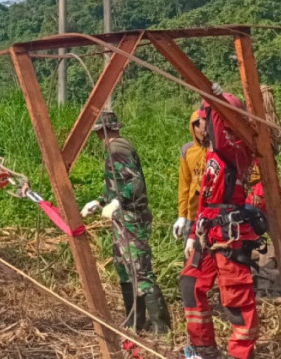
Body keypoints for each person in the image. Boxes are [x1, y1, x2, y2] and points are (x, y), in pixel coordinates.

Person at [181, 86, 264, 359]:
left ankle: (240, 354)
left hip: (229, 233)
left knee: (236, 299)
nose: (201, 126)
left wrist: (211, 97)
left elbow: (219, 124)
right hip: (209, 228)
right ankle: (204, 349)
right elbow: (205, 199)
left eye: (204, 118)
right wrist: (193, 231)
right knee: (190, 285)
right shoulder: (213, 153)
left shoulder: (236, 148)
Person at [80, 110, 171, 334]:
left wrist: (118, 202)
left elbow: (135, 182)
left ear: (102, 131)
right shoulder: (114, 148)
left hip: (132, 217)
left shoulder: (117, 148)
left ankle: (161, 327)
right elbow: (116, 183)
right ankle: (135, 321)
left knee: (140, 270)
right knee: (124, 268)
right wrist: (100, 202)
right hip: (122, 217)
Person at [175, 111, 208, 242]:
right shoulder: (187, 150)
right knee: (190, 255)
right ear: (192, 128)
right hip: (193, 213)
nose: (201, 130)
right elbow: (184, 184)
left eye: (204, 125)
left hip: (212, 211)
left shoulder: (215, 149)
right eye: (197, 126)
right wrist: (181, 215)